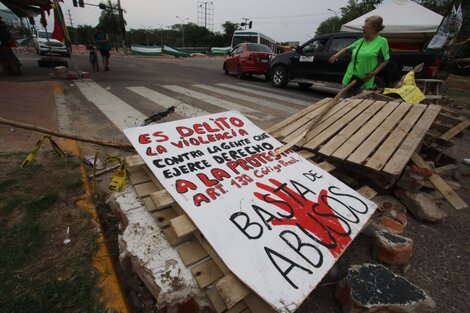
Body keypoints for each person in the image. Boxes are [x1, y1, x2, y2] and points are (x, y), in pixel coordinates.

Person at [329, 16, 390, 94]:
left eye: (366, 27)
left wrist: (375, 72)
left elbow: (385, 60)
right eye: (363, 27)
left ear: (374, 29)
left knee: (359, 105)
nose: (363, 29)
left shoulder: (382, 42)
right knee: (344, 104)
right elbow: (347, 49)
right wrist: (336, 55)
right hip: (348, 80)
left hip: (364, 82)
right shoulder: (360, 41)